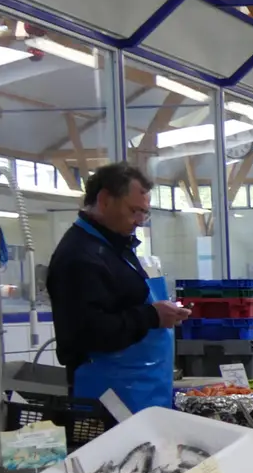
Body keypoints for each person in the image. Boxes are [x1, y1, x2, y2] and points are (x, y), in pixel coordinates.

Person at [48, 162, 189, 412]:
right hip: (108, 397)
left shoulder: (117, 248)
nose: (139, 221)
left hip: (143, 390)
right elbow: (89, 331)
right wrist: (152, 315)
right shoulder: (80, 256)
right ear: (104, 200)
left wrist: (164, 313)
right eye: (134, 211)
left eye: (145, 213)